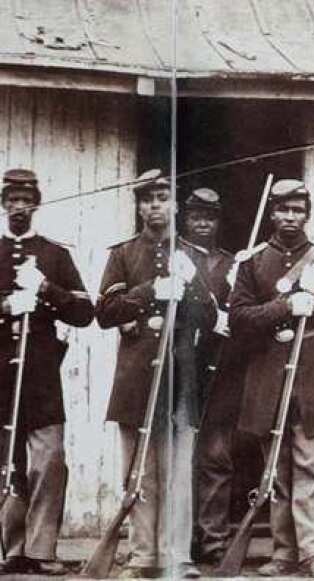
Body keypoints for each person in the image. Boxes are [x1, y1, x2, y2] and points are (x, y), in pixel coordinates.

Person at [228, 179, 314, 578]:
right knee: (277, 471)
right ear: (272, 213)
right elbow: (238, 321)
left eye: (298, 209)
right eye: (284, 209)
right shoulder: (252, 263)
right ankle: (283, 552)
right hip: (269, 375)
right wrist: (286, 307)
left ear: (307, 213)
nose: (291, 217)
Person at [96, 169, 216, 579]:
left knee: (179, 472)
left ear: (175, 203)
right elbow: (105, 313)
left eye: (162, 197)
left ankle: (177, 555)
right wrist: (150, 292)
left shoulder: (191, 255)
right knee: (141, 471)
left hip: (180, 377)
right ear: (139, 205)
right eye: (147, 198)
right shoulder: (123, 254)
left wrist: (191, 284)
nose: (155, 206)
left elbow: (212, 317)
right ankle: (143, 555)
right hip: (137, 379)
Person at [0, 169, 94, 575]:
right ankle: (10, 548)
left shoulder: (55, 255)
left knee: (48, 460)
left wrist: (44, 289)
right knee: (5, 462)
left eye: (26, 200)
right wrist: (5, 308)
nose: (19, 207)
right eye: (12, 200)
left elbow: (85, 312)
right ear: (3, 204)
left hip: (40, 372)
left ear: (36, 204)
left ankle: (40, 549)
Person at [183, 188, 244, 567]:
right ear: (185, 219)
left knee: (216, 456)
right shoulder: (174, 257)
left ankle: (213, 540)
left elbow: (247, 309)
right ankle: (178, 541)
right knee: (177, 459)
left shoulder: (232, 262)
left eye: (210, 216)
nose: (203, 222)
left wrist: (229, 316)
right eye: (196, 216)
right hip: (181, 368)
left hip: (219, 371)